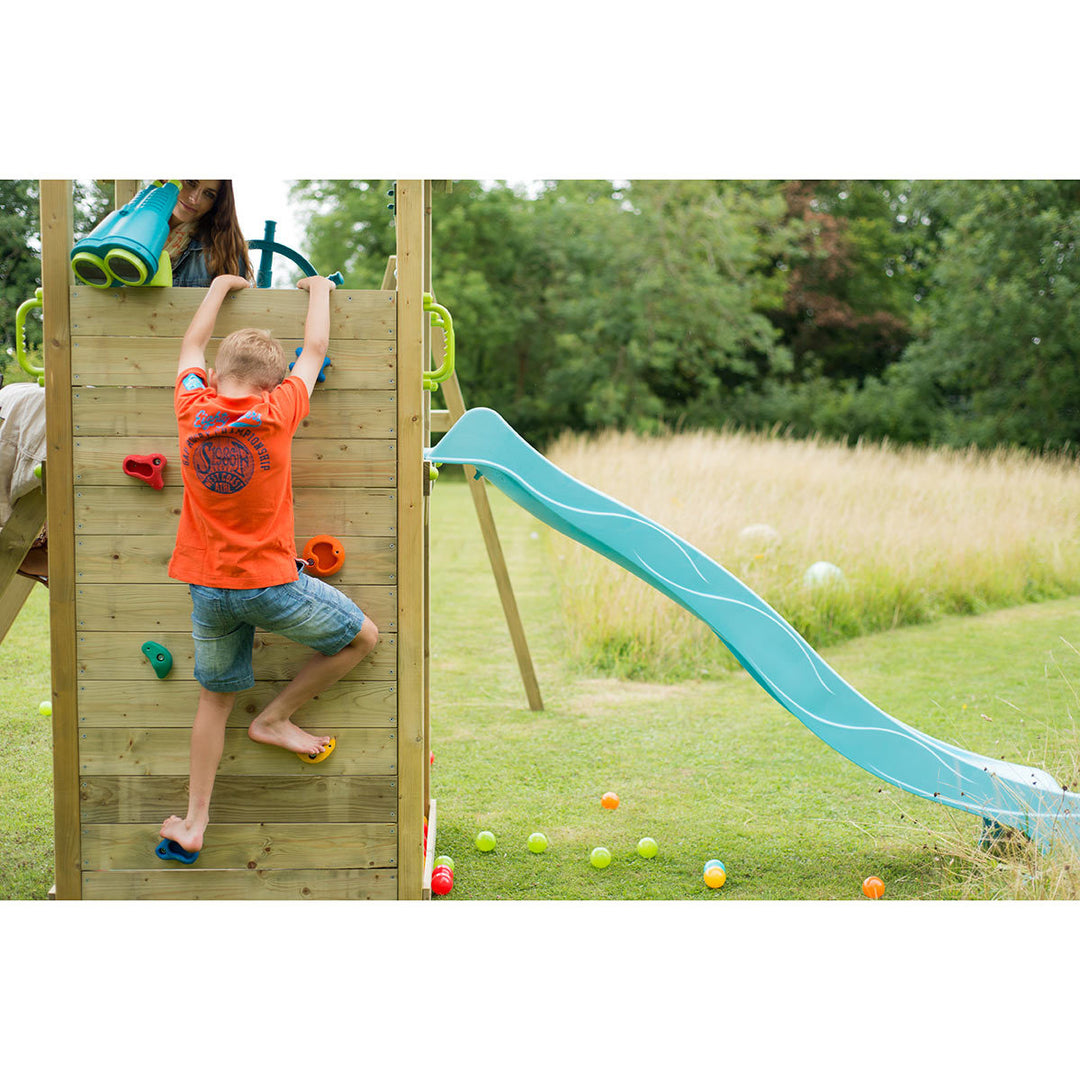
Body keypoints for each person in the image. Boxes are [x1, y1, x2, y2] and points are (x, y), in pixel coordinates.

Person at [159, 273, 378, 857]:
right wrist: (320, 293)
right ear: (273, 382)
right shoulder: (280, 410)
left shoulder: (189, 405)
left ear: (213, 376)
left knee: (214, 698)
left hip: (206, 589)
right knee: (363, 638)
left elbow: (188, 348)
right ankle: (277, 718)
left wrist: (219, 290)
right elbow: (317, 352)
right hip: (270, 586)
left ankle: (193, 822)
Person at [161, 180, 254, 287]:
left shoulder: (223, 250)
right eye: (191, 183)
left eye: (209, 194)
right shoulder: (138, 224)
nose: (194, 200)